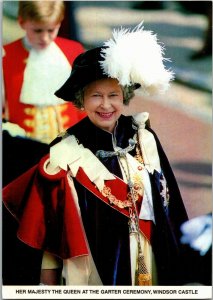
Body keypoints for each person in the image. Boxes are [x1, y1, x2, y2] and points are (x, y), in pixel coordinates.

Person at [3, 23, 188, 286]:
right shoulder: (64, 152)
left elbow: (170, 208)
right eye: (95, 96)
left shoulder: (144, 138)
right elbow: (52, 229)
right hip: (94, 271)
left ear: (124, 96)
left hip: (152, 261)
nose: (105, 104)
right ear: (81, 100)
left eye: (113, 95)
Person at [2, 0, 86, 144]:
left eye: (51, 30)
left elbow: (84, 103)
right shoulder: (6, 56)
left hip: (72, 145)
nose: (45, 38)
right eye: (38, 30)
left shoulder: (73, 50)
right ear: (22, 22)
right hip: (24, 147)